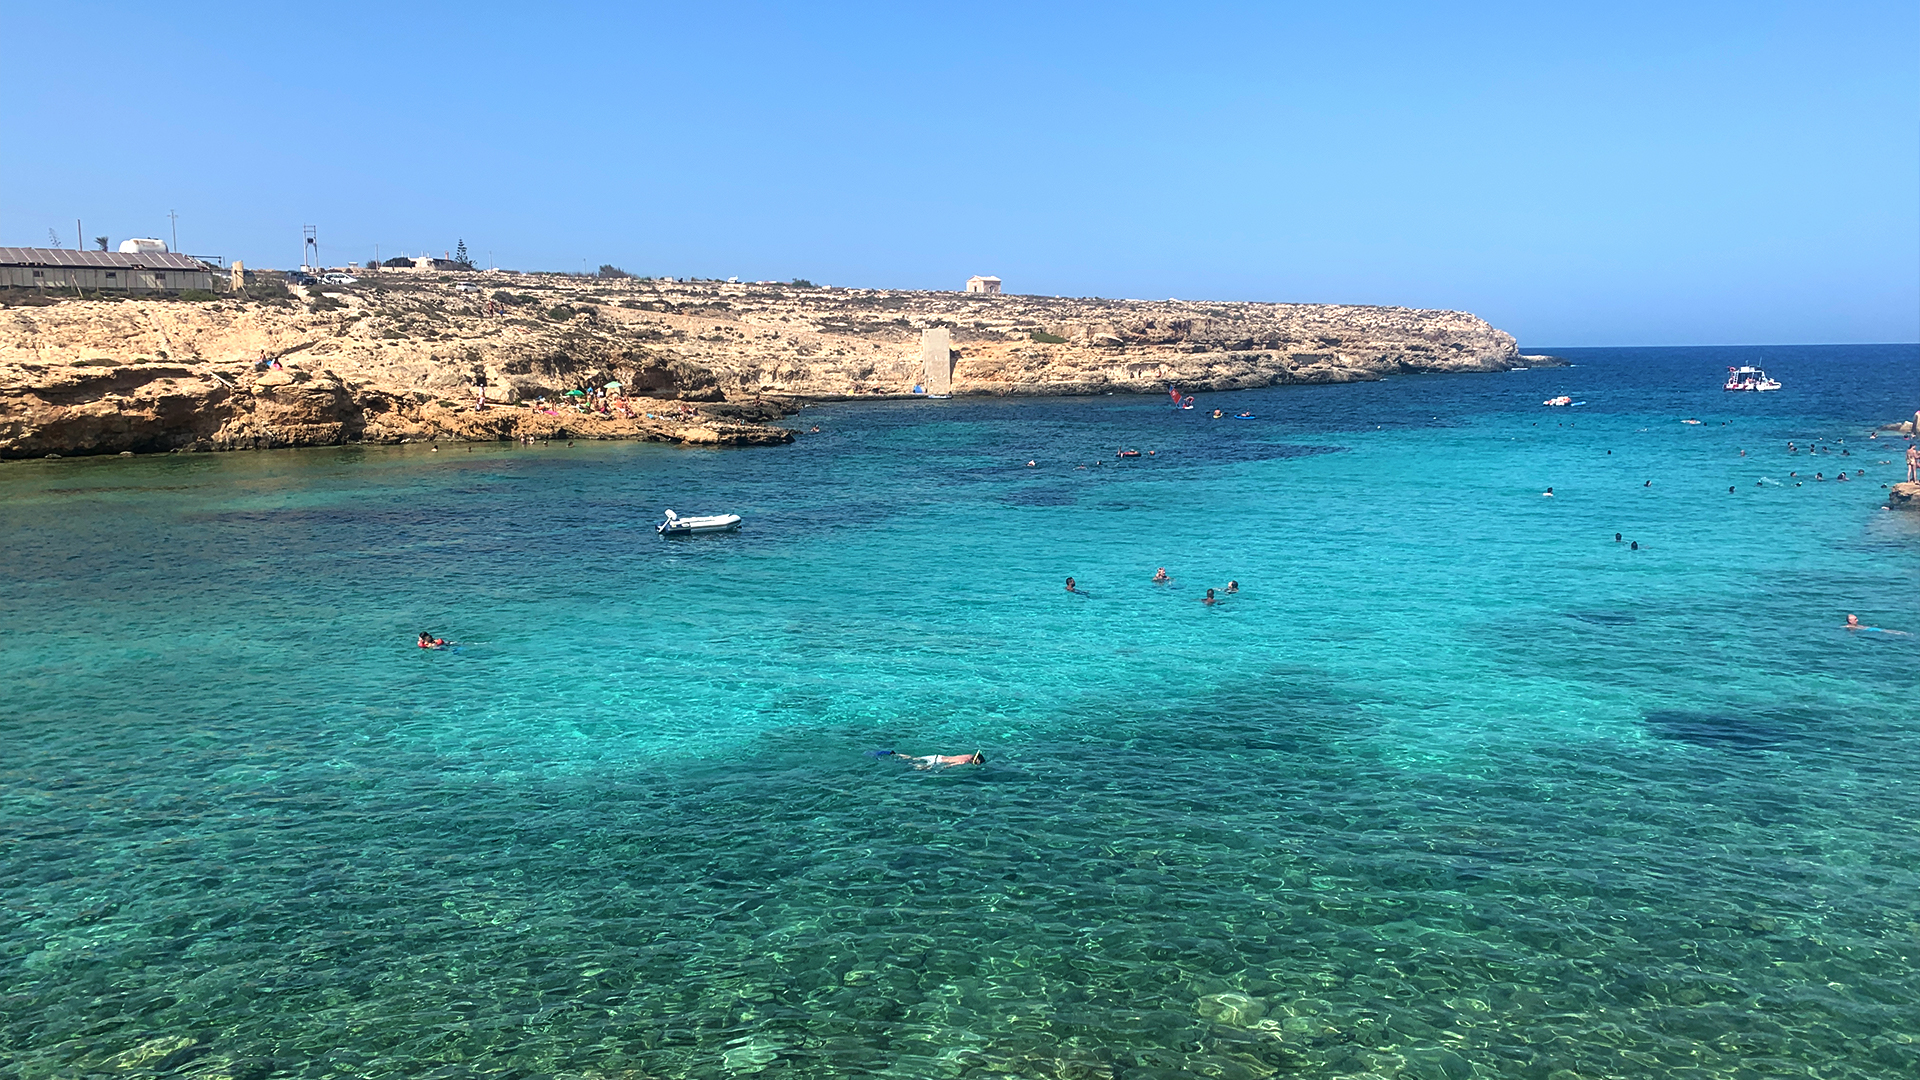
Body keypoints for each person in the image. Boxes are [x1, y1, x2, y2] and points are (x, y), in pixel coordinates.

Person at [884, 751, 986, 769]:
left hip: (937, 756)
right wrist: (942, 769)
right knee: (921, 768)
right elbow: (951, 765)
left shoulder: (968, 755)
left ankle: (895, 754)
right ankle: (904, 764)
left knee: (914, 758)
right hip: (937, 762)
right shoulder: (964, 761)